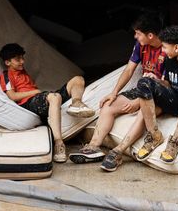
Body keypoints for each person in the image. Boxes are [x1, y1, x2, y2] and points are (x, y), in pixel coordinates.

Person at [100, 25, 178, 172]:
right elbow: (168, 84)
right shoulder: (170, 59)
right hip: (174, 100)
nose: (163, 51)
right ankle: (154, 136)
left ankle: (175, 141)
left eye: (165, 47)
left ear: (177, 47)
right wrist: (157, 81)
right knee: (145, 82)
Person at [69, 12, 166, 164]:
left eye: (138, 33)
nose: (135, 37)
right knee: (108, 105)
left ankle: (118, 152)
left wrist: (140, 102)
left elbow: (168, 85)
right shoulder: (141, 46)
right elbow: (128, 70)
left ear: (151, 35)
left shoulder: (168, 49)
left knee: (144, 112)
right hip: (143, 89)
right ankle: (93, 147)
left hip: (160, 94)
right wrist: (113, 93)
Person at [0, 43, 94, 163]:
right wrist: (35, 92)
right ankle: (59, 144)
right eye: (18, 59)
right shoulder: (6, 75)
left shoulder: (22, 71)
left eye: (22, 58)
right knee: (55, 97)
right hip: (29, 103)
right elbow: (12, 96)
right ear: (8, 62)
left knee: (78, 79)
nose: (22, 61)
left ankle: (76, 103)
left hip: (41, 98)